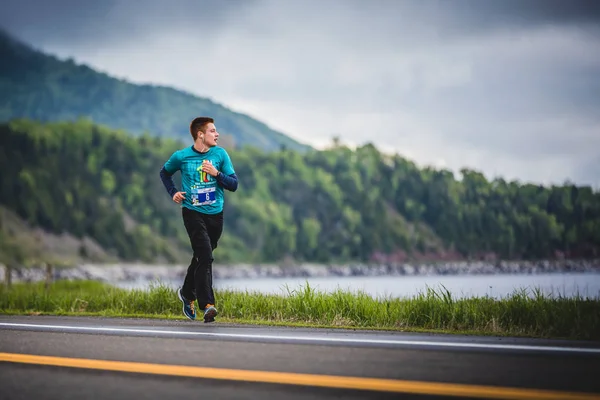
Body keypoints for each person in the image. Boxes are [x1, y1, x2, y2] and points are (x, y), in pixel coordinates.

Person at [159, 117, 238, 323]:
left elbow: (233, 184)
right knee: (205, 255)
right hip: (192, 212)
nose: (217, 134)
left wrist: (216, 173)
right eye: (212, 131)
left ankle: (186, 293)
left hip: (215, 214)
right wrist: (173, 193)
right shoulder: (182, 156)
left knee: (202, 256)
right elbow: (164, 173)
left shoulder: (220, 154)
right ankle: (208, 305)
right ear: (200, 134)